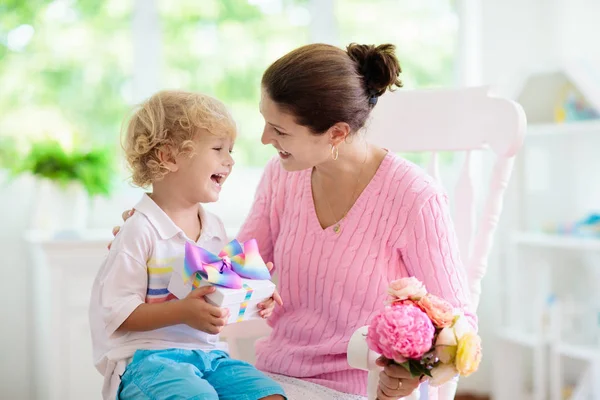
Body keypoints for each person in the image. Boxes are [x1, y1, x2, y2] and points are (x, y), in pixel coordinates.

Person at [113, 43, 476, 400]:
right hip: (274, 378)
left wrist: (406, 373)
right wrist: (157, 236)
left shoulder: (414, 196)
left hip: (358, 387)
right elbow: (229, 274)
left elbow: (460, 326)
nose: (265, 138)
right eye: (265, 121)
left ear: (336, 133)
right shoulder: (283, 176)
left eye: (280, 130)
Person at [90, 90, 286, 400]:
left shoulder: (215, 228)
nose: (230, 160)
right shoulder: (139, 230)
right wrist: (181, 311)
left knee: (270, 395)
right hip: (148, 360)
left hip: (208, 356)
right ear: (169, 157)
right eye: (218, 148)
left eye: (230, 149)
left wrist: (255, 294)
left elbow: (218, 295)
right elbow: (118, 313)